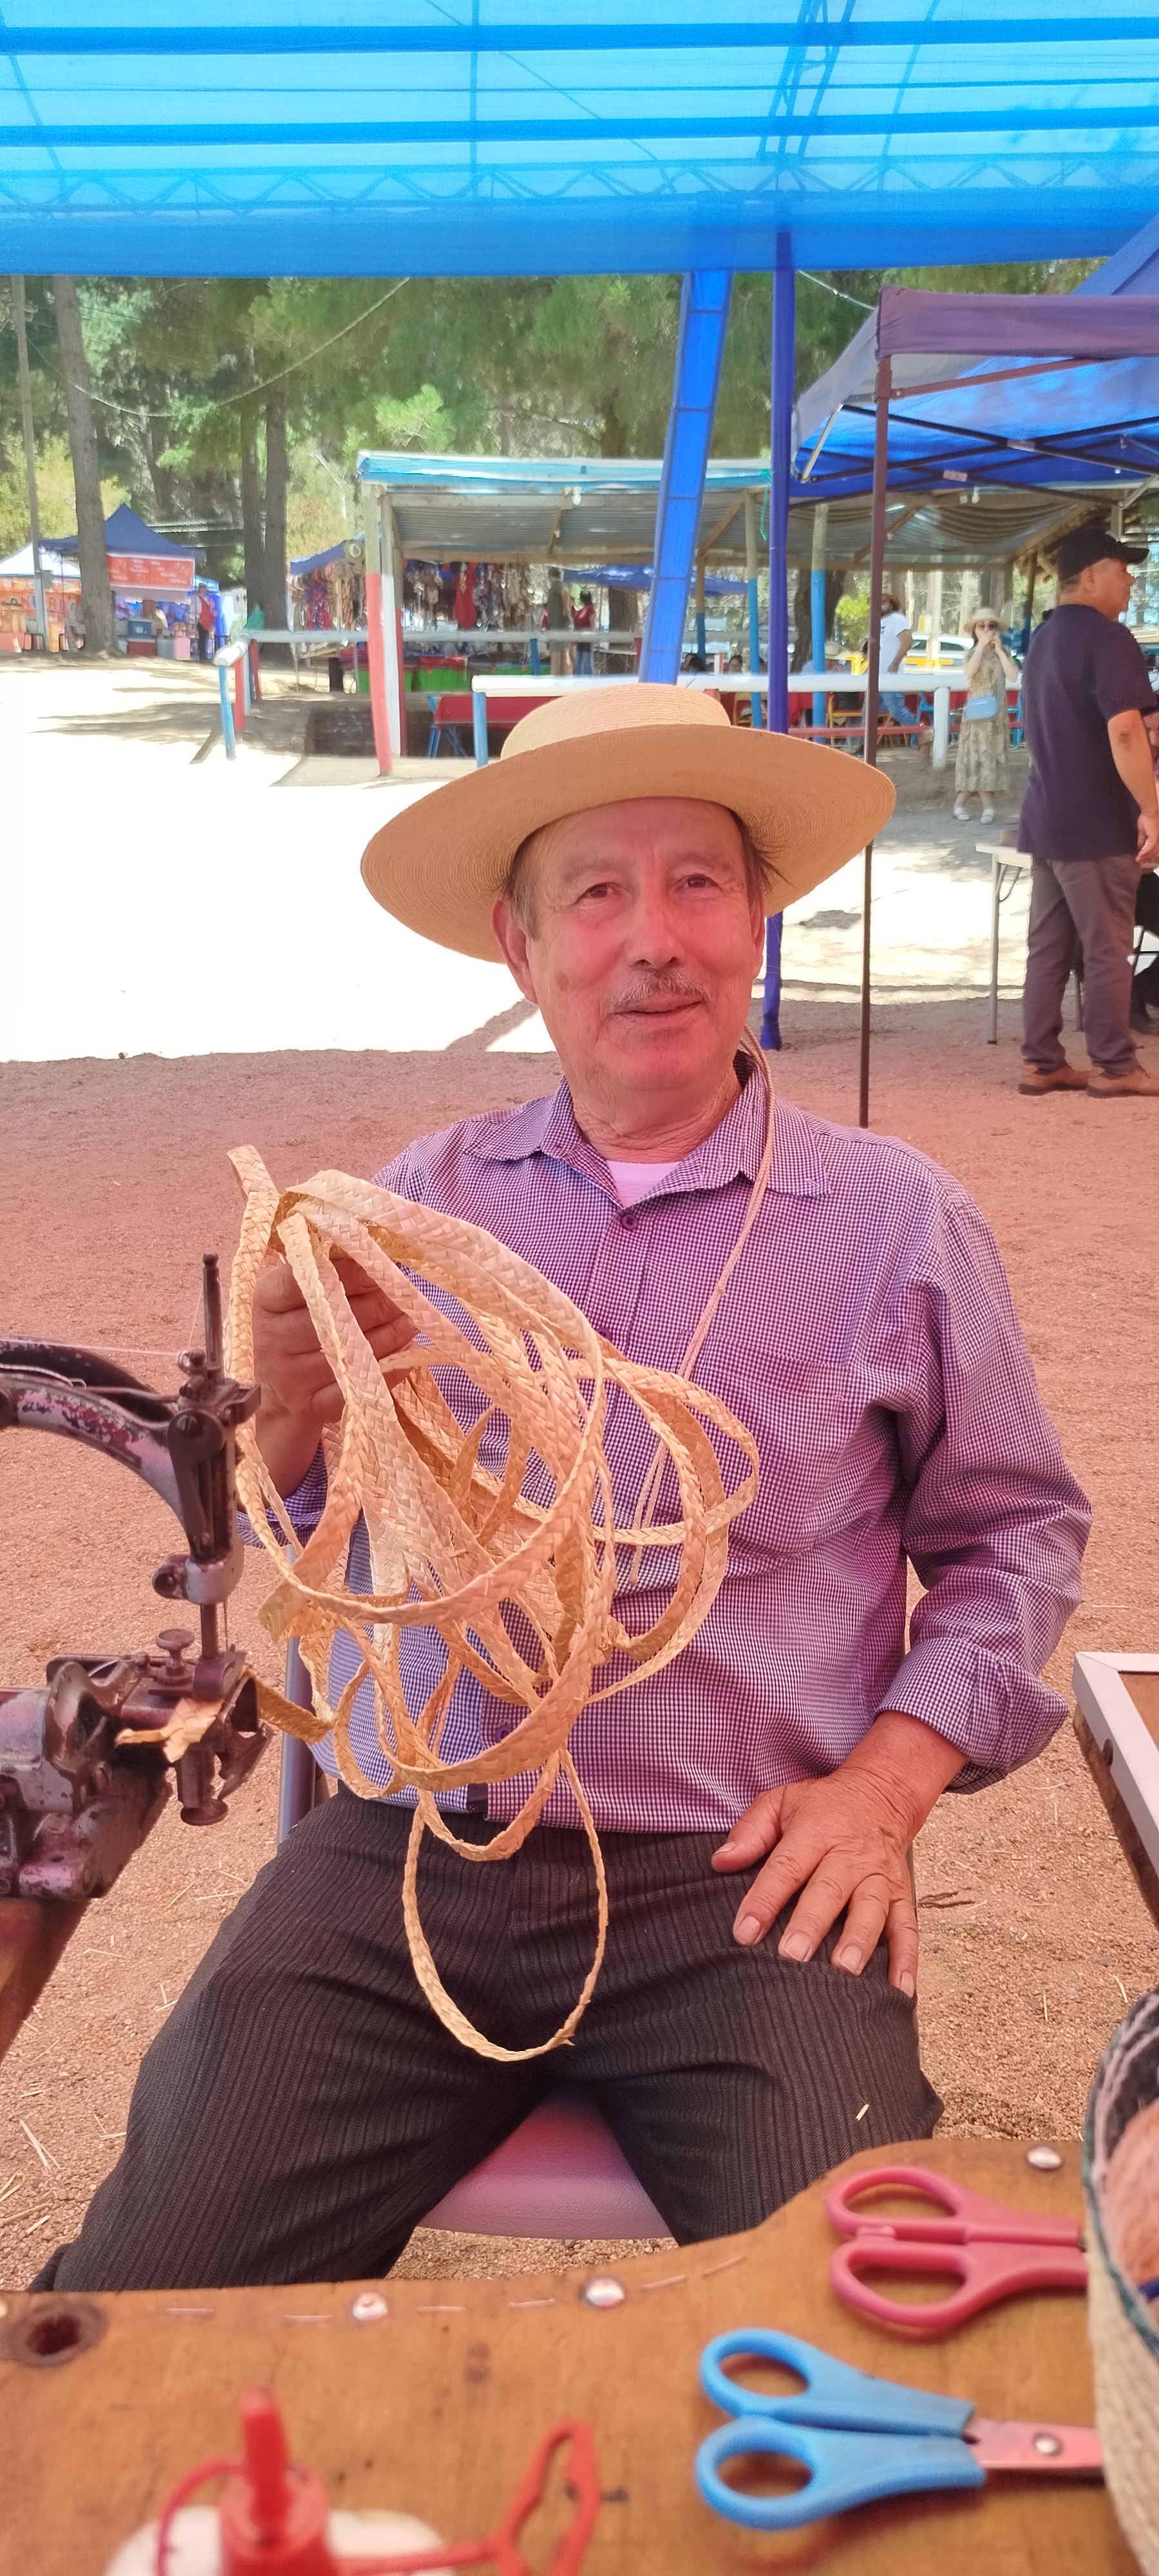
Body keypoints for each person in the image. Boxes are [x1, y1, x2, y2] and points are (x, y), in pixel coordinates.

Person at [35, 686, 1089, 2294]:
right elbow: (314, 1547)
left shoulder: (898, 1221)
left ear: (755, 922)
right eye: (596, 892)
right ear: (521, 950)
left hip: (740, 1877)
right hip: (410, 1852)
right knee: (134, 2310)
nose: (652, 939)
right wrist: (297, 1413)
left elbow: (1017, 1536)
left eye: (696, 883)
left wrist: (882, 1787)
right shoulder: (412, 1206)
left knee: (867, 2325)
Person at [1018, 524, 1159, 1099]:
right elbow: (1126, 732)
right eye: (1122, 570)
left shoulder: (1043, 639)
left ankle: (1041, 1061)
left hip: (1047, 816)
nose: (1131, 581)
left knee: (1049, 951)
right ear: (1090, 576)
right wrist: (1151, 808)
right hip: (1098, 822)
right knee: (1107, 950)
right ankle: (1116, 1065)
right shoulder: (1109, 638)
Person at [952, 612, 1019, 824]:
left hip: (997, 714)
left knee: (991, 758)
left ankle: (965, 805)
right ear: (975, 630)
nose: (987, 629)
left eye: (991, 625)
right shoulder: (971, 653)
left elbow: (1013, 676)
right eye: (981, 626)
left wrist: (999, 651)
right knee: (976, 759)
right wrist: (981, 647)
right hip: (977, 714)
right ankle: (983, 807)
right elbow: (969, 673)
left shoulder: (1004, 651)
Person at [1130, 703, 1159, 1029]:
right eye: (1146, 731)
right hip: (1118, 869)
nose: (1153, 740)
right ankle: (1131, 998)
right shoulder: (1122, 764)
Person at [878, 591, 912, 730]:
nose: (880, 605)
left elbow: (907, 642)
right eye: (876, 602)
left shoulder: (897, 619)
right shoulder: (877, 622)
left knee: (897, 711)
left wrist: (895, 662)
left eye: (884, 602)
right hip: (877, 677)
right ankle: (863, 742)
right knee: (867, 713)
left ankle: (922, 736)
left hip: (891, 675)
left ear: (892, 604)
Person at [544, 571, 573, 677]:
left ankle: (555, 681)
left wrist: (566, 608)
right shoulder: (558, 586)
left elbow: (565, 591)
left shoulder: (557, 585)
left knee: (556, 655)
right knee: (565, 653)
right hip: (563, 626)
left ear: (551, 576)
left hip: (559, 627)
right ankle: (567, 680)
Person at [573, 587, 596, 677]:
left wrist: (591, 636)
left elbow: (593, 623)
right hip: (580, 638)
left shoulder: (590, 609)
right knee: (579, 661)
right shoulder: (582, 610)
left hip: (587, 638)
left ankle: (588, 679)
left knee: (587, 661)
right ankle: (577, 678)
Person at [196, 584, 217, 663]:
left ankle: (204, 656)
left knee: (204, 639)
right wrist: (199, 618)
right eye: (203, 589)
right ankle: (202, 657)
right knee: (202, 639)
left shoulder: (206, 598)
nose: (204, 590)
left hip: (206, 621)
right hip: (201, 621)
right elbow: (197, 610)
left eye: (205, 589)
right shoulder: (197, 598)